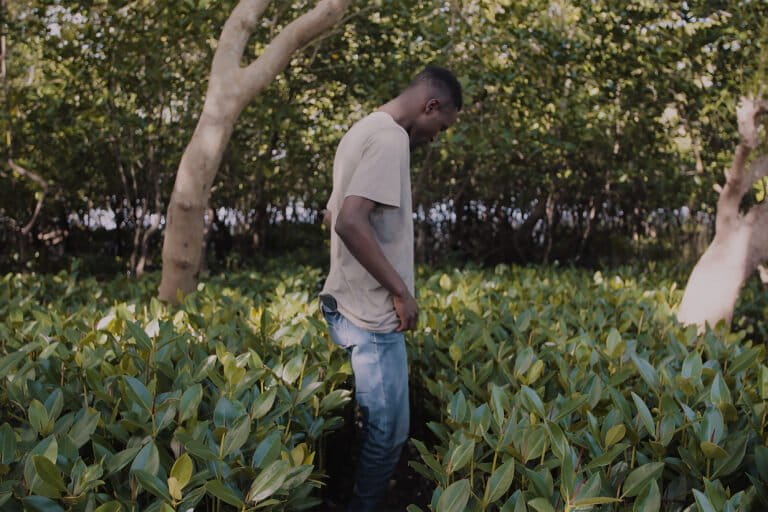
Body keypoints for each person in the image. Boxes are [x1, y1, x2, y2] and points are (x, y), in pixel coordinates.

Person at [319, 65, 462, 511]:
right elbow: (347, 221)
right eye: (442, 126)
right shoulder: (391, 139)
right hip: (372, 316)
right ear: (430, 106)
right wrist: (401, 290)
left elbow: (331, 214)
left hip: (348, 302)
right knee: (389, 434)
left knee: (378, 426)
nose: (438, 136)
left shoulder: (360, 130)